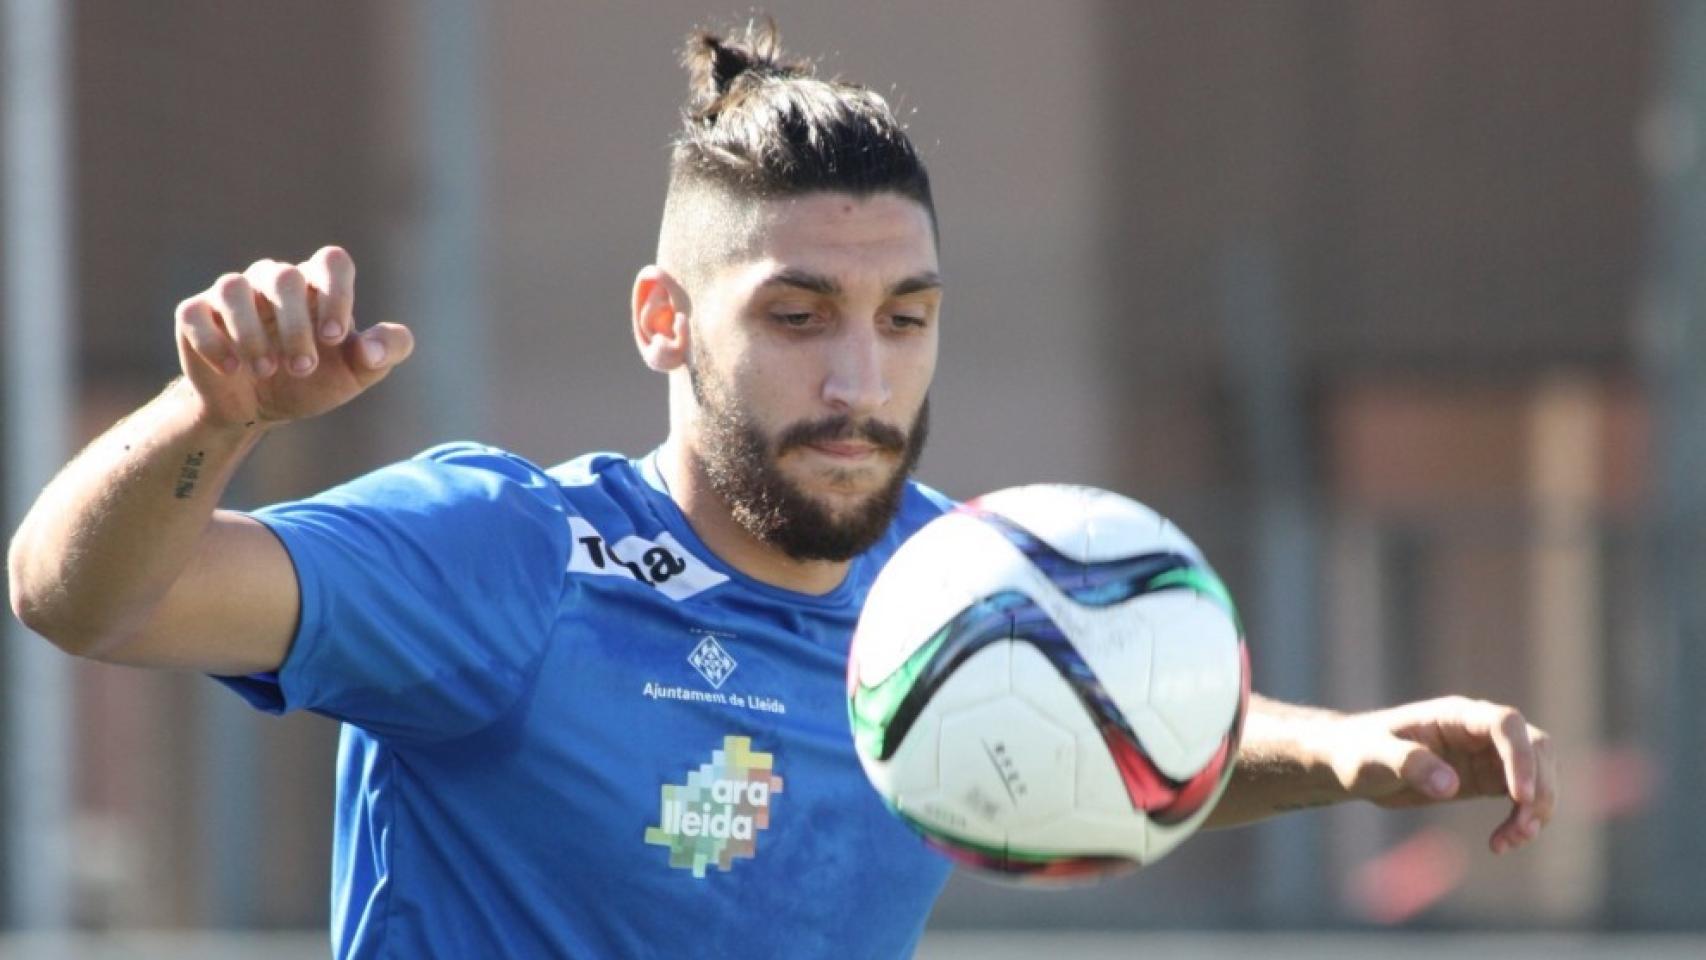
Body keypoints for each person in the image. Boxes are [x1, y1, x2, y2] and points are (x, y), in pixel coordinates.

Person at [8, 20, 1554, 960]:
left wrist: (1340, 750)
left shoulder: (950, 586)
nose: (858, 383)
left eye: (904, 320)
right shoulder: (511, 555)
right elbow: (84, 597)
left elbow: (1132, 744)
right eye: (797, 316)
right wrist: (202, 417)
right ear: (664, 323)